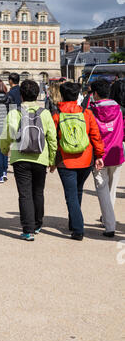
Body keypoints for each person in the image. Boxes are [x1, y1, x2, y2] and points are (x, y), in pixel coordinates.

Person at [0, 80, 57, 241]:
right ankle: (38, 224)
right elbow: (52, 139)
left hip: (20, 157)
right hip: (41, 157)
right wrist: (52, 159)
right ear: (38, 94)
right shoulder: (45, 113)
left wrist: (5, 150)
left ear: (21, 95)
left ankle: (28, 229)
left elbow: (7, 135)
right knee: (38, 192)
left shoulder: (14, 112)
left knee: (24, 194)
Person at [51, 82, 105, 241]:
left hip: (66, 160)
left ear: (62, 95)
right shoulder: (87, 113)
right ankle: (73, 222)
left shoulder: (57, 114)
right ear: (77, 95)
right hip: (86, 158)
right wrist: (99, 155)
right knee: (78, 190)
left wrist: (52, 160)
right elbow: (95, 135)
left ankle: (78, 228)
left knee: (71, 194)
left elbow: (53, 139)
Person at [90, 79, 125, 237]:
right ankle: (107, 218)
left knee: (102, 190)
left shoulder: (91, 110)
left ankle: (109, 224)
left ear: (95, 93)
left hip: (99, 154)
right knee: (111, 188)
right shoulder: (119, 109)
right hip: (116, 153)